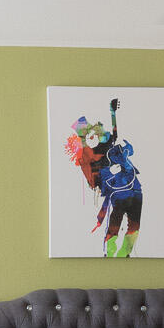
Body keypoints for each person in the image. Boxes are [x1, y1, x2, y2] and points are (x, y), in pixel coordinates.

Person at [62, 97, 142, 257]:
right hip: (117, 192)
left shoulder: (108, 145)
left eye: (99, 129)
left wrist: (113, 113)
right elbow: (92, 168)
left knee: (134, 226)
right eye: (94, 131)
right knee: (115, 225)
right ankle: (111, 252)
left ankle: (124, 253)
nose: (100, 131)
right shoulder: (91, 154)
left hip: (133, 188)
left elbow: (114, 133)